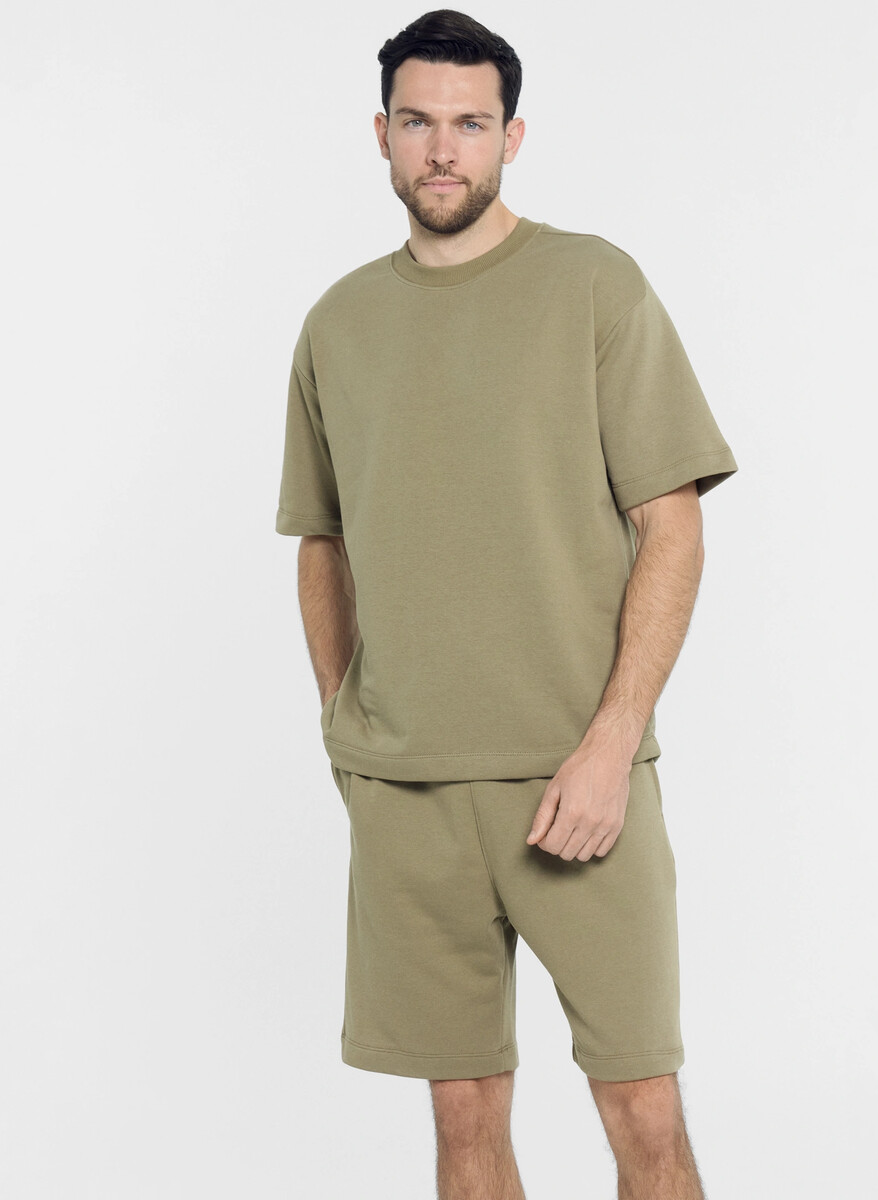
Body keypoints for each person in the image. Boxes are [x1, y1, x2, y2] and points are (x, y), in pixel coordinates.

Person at [275, 10, 738, 1198]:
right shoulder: (338, 323)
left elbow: (672, 525)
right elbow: (323, 540)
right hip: (408, 794)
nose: (444, 150)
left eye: (471, 124)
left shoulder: (595, 285)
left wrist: (611, 744)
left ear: (512, 137)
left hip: (579, 783)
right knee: (462, 1122)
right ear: (381, 134)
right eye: (419, 122)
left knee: (643, 1113)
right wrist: (346, 728)